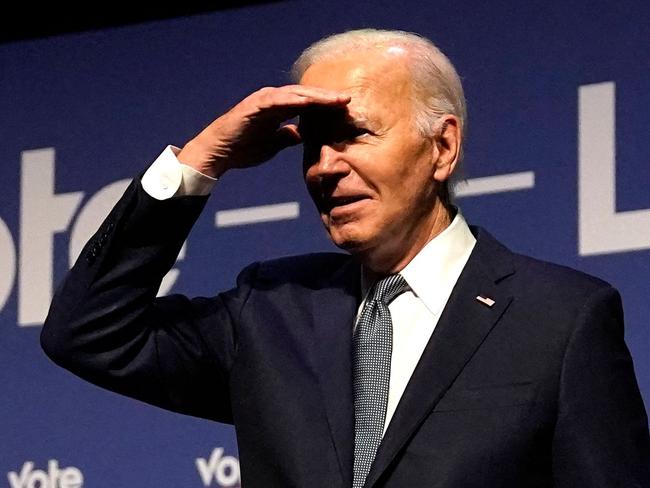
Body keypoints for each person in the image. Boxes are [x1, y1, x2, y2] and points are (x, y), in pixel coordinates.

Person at [41, 29, 650, 487]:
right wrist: (203, 158)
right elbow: (86, 333)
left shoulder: (561, 320)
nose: (324, 167)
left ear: (442, 146)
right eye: (311, 143)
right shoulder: (271, 311)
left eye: (354, 134)